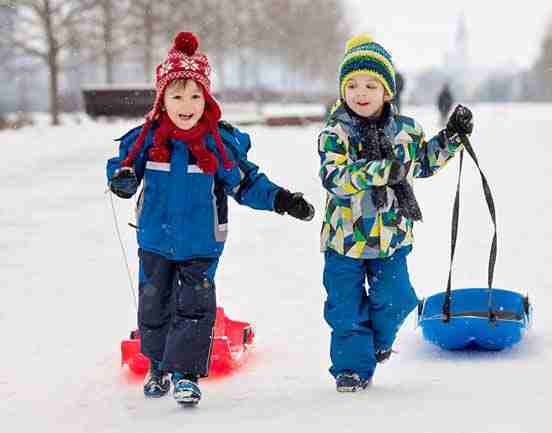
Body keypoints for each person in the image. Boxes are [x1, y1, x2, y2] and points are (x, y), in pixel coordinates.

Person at [106, 32, 315, 406]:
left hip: (202, 243)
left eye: (194, 96)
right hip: (154, 239)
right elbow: (124, 169)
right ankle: (157, 364)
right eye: (177, 96)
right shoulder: (145, 141)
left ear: (206, 99)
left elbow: (247, 182)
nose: (186, 104)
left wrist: (282, 200)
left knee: (194, 308)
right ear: (162, 100)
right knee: (154, 305)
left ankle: (185, 375)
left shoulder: (219, 144)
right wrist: (121, 181)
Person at [318, 35, 473, 392]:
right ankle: (352, 369)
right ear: (343, 90)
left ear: (387, 90)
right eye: (352, 85)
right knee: (345, 309)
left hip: (391, 236)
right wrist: (377, 171)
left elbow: (422, 163)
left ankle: (374, 344)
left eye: (371, 85)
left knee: (398, 298)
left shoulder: (406, 131)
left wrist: (451, 137)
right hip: (345, 238)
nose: (361, 92)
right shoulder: (335, 131)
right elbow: (334, 177)